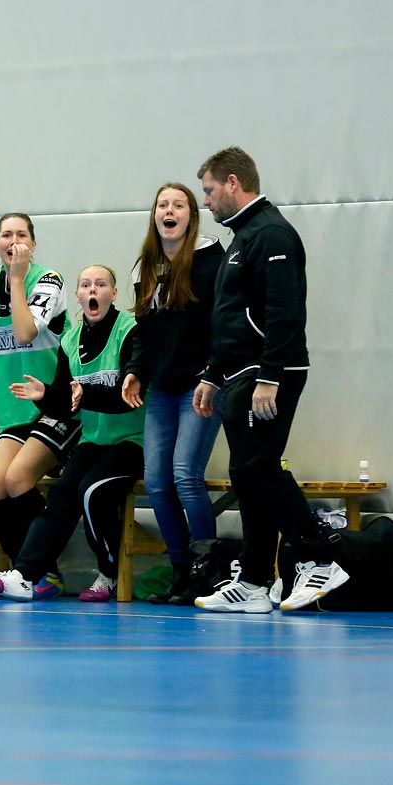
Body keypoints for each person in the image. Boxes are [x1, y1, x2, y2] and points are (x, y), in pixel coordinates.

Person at [191, 146, 347, 614]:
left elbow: (284, 315)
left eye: (210, 191)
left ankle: (320, 558)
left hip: (268, 371)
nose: (207, 202)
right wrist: (213, 374)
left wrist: (271, 377)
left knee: (254, 469)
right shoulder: (243, 236)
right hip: (241, 371)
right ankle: (256, 580)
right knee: (248, 473)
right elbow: (231, 317)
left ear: (234, 183)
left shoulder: (272, 234)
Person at [0, 266, 145, 603]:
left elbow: (128, 399)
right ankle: (24, 576)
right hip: (92, 440)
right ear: (80, 296)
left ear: (113, 294)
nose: (92, 290)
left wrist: (85, 395)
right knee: (62, 497)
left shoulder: (130, 331)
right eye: (85, 285)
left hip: (133, 441)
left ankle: (109, 574)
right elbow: (67, 400)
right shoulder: (70, 340)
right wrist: (46, 396)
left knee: (91, 492)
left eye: (101, 285)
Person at [0, 213, 76, 592]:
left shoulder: (48, 280)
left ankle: (37, 571)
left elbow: (23, 333)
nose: (14, 241)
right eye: (6, 234)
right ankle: (24, 571)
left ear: (32, 245)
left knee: (18, 479)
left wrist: (18, 280)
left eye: (22, 234)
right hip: (13, 415)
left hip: (55, 405)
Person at [120, 183, 225, 605]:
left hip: (201, 385)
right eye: (163, 204)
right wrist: (134, 373)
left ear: (191, 215)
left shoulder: (211, 260)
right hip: (162, 390)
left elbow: (223, 324)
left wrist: (214, 375)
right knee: (158, 482)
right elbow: (145, 333)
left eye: (178, 204)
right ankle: (182, 572)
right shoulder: (143, 268)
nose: (169, 210)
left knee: (186, 475)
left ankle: (209, 572)